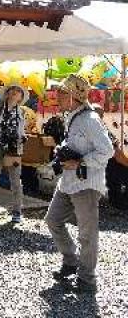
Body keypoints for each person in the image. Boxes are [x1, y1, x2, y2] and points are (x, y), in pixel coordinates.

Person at [45, 74, 113, 293]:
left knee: (87, 233)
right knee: (53, 220)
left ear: (74, 95)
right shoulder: (72, 116)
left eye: (62, 92)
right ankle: (71, 261)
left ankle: (87, 279)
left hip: (86, 183)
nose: (58, 96)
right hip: (69, 181)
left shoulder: (90, 119)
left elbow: (107, 151)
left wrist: (81, 161)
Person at [0, 83, 27, 225]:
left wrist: (22, 139)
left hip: (14, 148)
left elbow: (21, 131)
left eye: (18, 91)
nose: (15, 93)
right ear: (7, 93)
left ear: (21, 97)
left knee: (15, 181)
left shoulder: (21, 112)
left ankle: (17, 211)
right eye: (12, 90)